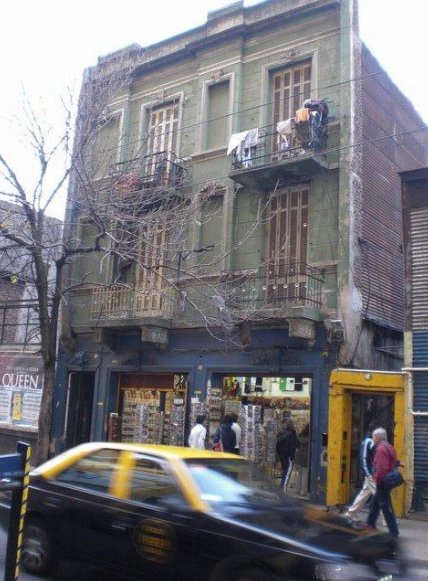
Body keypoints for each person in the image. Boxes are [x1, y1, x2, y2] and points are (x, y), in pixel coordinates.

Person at [367, 428, 402, 537]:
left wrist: (377, 478)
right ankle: (370, 524)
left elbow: (381, 467)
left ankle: (393, 532)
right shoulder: (389, 446)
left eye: (373, 436)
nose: (372, 439)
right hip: (388, 479)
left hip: (383, 481)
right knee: (375, 504)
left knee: (385, 506)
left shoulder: (380, 449)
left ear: (377, 437)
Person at [343, 421, 379, 521]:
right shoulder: (368, 442)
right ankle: (388, 519)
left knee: (364, 494)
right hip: (371, 474)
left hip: (371, 473)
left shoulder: (372, 441)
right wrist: (369, 473)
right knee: (381, 495)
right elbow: (364, 459)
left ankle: (350, 513)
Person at [276, 418, 299, 492]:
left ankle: (282, 486)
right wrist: (292, 457)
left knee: (284, 470)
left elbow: (277, 444)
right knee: (287, 472)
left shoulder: (281, 433)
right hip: (288, 455)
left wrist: (278, 454)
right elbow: (292, 447)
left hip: (281, 455)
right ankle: (283, 488)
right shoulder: (292, 434)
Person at [294, 423, 310, 497]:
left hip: (299, 456)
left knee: (299, 473)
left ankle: (297, 489)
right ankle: (303, 491)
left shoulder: (300, 435)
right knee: (305, 474)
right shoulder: (309, 439)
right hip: (305, 456)